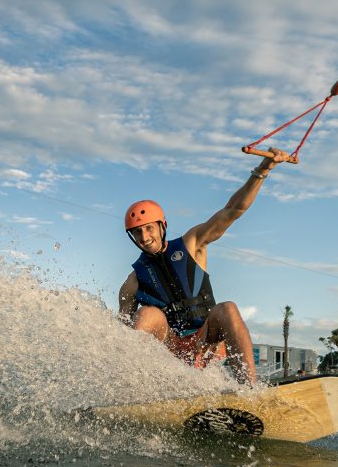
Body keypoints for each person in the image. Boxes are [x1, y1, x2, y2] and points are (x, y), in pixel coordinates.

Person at [118, 148, 292, 383]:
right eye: (137, 232)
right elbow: (120, 338)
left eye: (149, 227)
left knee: (227, 308)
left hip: (205, 342)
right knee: (147, 314)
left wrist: (263, 169)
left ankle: (249, 390)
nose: (145, 236)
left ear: (162, 226)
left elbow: (233, 210)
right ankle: (137, 391)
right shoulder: (132, 282)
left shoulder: (192, 243)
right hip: (169, 350)